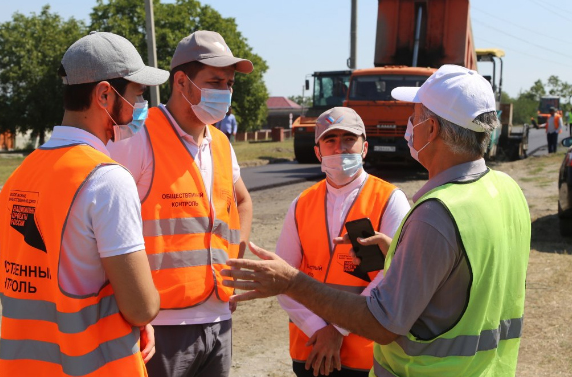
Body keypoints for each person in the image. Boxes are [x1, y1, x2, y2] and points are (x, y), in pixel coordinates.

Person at [222, 64, 531, 377]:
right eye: (330, 141)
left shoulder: (436, 212)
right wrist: (398, 255)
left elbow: (384, 323)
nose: (409, 125)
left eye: (414, 116)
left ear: (432, 129)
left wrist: (291, 282)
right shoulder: (509, 191)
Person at [0, 31, 168, 376]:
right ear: (105, 94)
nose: (141, 106)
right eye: (138, 93)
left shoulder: (20, 176)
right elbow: (142, 307)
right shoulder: (107, 179)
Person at [106, 30, 254, 377]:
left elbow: (242, 202)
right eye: (215, 81)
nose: (225, 91)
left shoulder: (220, 142)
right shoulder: (137, 139)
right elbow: (105, 223)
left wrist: (236, 266)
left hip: (218, 317)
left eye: (230, 83)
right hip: (160, 325)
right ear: (182, 82)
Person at [276, 107, 410, 377]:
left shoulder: (390, 200)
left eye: (349, 139)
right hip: (310, 349)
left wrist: (337, 330)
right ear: (318, 152)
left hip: (366, 354)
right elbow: (283, 277)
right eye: (330, 139)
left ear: (364, 148)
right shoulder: (301, 204)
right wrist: (318, 330)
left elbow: (393, 275)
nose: (339, 148)